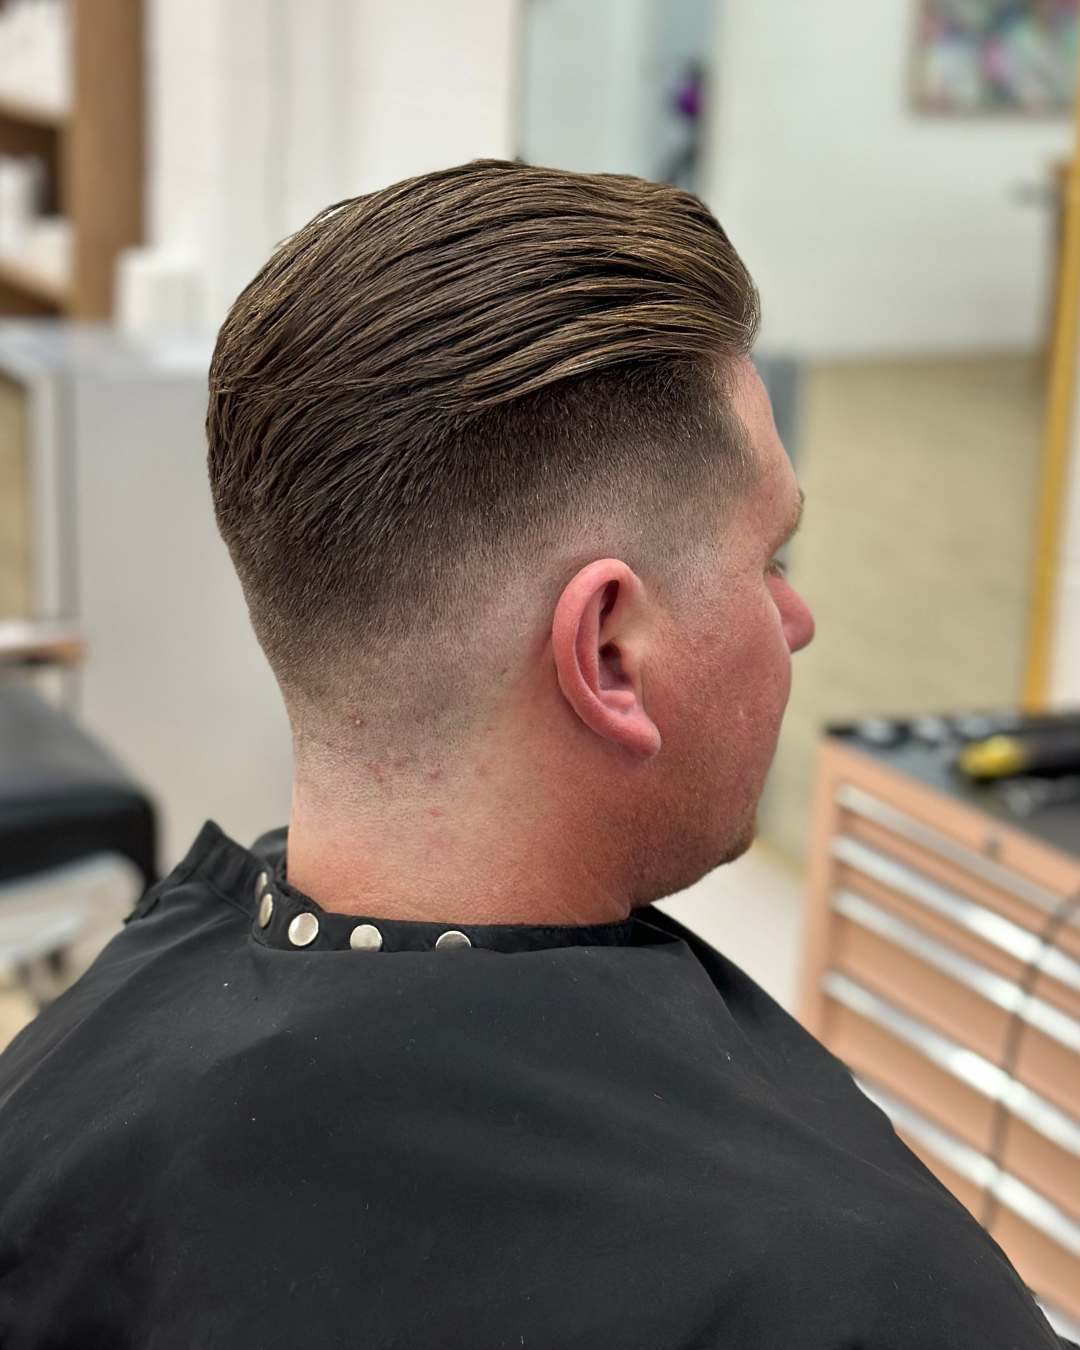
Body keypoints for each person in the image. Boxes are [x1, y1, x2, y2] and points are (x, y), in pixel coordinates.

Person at [0, 161, 1070, 1350]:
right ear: (607, 651)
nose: (798, 619)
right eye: (772, 559)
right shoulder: (862, 1295)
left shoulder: (43, 1118)